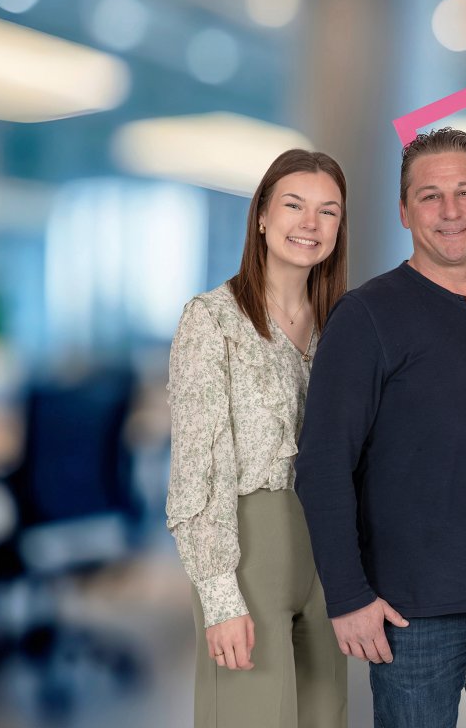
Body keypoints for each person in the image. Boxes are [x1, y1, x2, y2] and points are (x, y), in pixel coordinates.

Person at [294, 128, 466, 728]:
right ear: (403, 211)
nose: (450, 211)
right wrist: (348, 596)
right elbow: (322, 463)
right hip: (410, 611)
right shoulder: (365, 316)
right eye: (430, 196)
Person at [166, 149, 349, 727]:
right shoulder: (211, 320)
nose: (310, 223)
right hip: (248, 545)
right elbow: (196, 468)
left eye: (328, 211)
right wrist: (220, 597)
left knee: (327, 717)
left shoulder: (344, 326)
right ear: (262, 217)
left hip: (330, 547)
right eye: (294, 205)